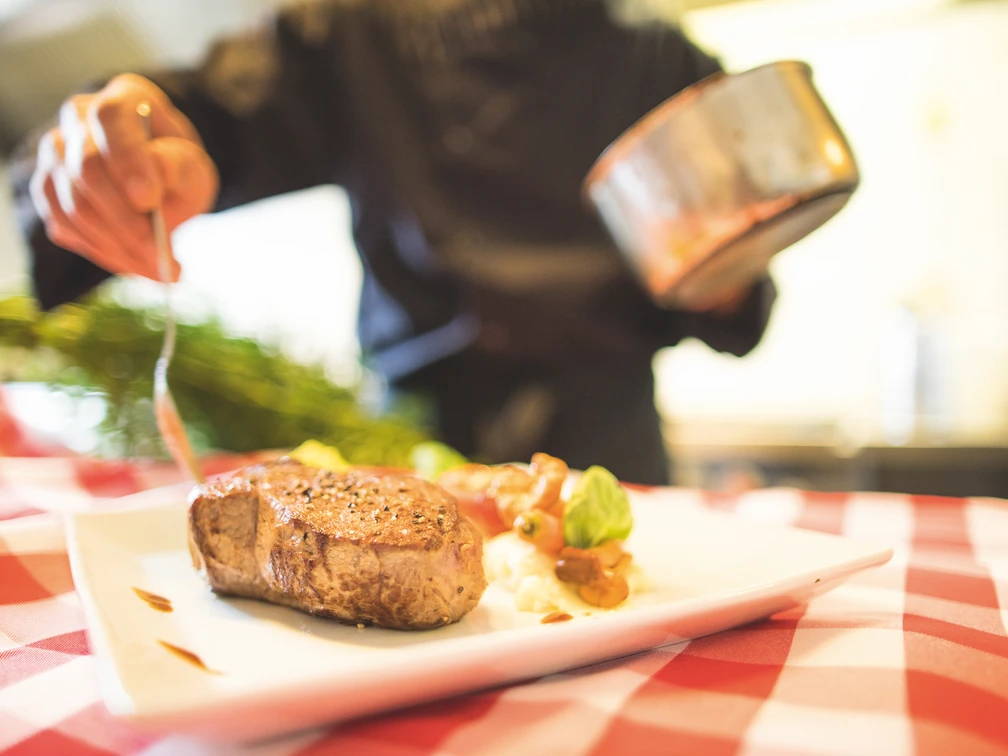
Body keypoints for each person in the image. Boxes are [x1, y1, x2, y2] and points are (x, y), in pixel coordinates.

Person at [8, 0, 776, 485]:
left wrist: (722, 272)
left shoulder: (660, 59)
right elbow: (197, 115)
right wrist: (122, 142)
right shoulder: (351, 33)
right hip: (409, 452)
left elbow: (728, 289)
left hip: (617, 458)